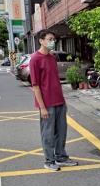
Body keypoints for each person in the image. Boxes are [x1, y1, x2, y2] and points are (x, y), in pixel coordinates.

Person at [30, 30, 78, 171]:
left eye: (54, 39)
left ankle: (61, 157)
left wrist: (63, 101)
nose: (53, 42)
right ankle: (49, 160)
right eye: (50, 39)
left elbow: (55, 81)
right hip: (47, 103)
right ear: (41, 41)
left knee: (61, 132)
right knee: (48, 134)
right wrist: (42, 107)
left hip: (59, 101)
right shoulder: (35, 59)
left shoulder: (52, 57)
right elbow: (36, 86)